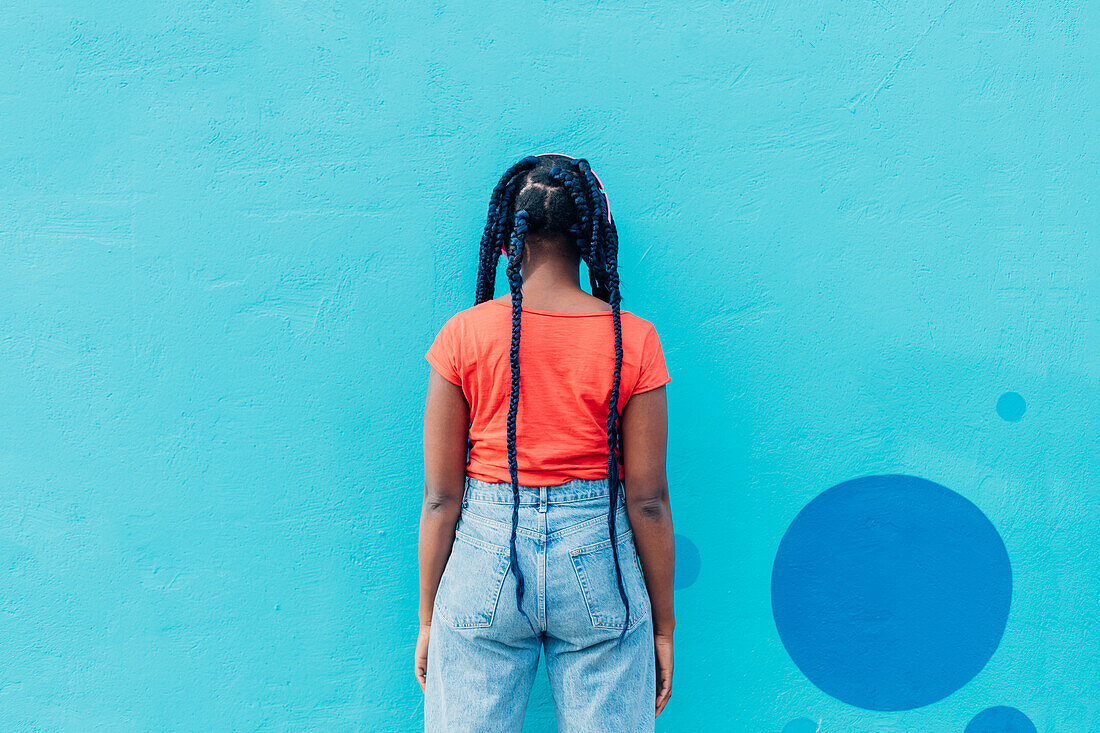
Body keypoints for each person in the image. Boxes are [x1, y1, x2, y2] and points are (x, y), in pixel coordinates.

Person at [416, 154, 675, 732]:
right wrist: (662, 628)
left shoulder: (464, 335)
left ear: (508, 241)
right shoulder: (632, 339)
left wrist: (430, 617)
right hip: (598, 557)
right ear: (590, 240)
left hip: (485, 552)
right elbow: (649, 500)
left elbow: (440, 498)